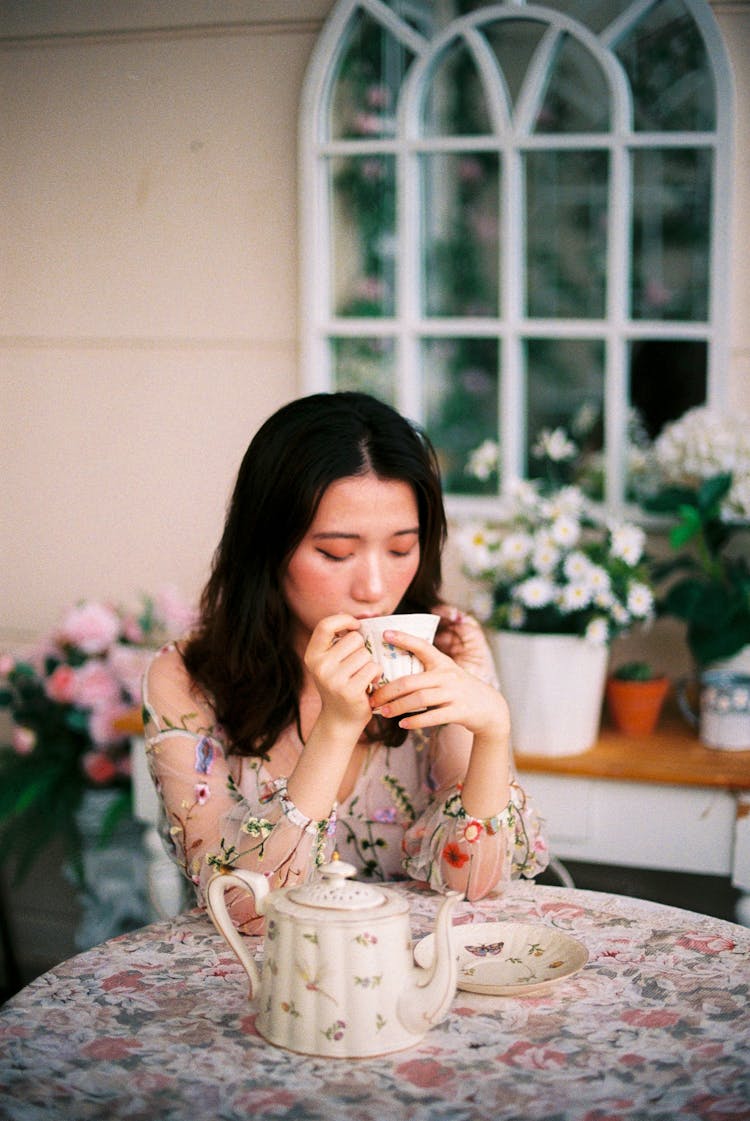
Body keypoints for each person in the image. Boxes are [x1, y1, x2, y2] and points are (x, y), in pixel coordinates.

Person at [142, 392, 548, 932]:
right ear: (268, 547)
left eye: (402, 549)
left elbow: (473, 883)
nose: (375, 588)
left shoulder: (449, 645)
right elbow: (245, 910)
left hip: (420, 978)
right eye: (335, 553)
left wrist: (493, 729)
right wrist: (335, 729)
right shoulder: (186, 678)